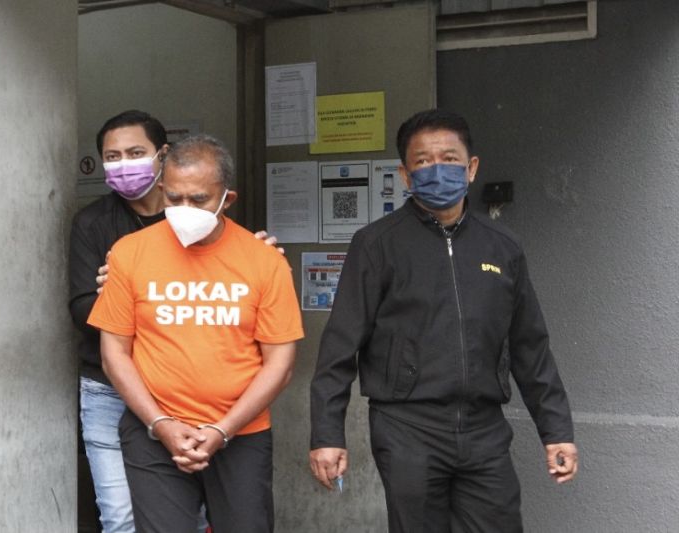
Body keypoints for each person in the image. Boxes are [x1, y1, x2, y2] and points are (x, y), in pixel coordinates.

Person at [308, 109, 578, 533]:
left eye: (450, 159)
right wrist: (327, 433)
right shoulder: (377, 245)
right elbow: (339, 347)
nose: (438, 170)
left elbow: (530, 346)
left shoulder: (502, 246)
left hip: (484, 429)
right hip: (407, 428)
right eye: (423, 161)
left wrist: (556, 429)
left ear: (471, 168)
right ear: (404, 174)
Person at [69, 111, 278, 532]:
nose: (122, 163)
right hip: (120, 391)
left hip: (225, 413)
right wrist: (128, 299)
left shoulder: (245, 247)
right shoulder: (108, 233)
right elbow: (85, 312)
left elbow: (276, 353)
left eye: (134, 152)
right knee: (124, 517)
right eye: (112, 156)